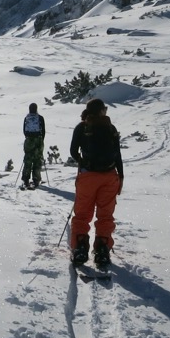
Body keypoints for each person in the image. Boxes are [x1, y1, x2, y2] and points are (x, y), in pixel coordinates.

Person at [68, 98, 124, 268]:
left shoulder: (82, 127)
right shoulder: (110, 128)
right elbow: (118, 155)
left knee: (83, 213)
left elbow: (72, 150)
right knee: (105, 214)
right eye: (104, 109)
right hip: (109, 176)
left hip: (88, 177)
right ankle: (102, 249)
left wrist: (83, 162)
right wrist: (120, 176)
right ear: (100, 111)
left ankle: (80, 248)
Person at [21, 102, 46, 189]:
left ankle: (26, 179)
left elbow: (24, 130)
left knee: (28, 159)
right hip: (38, 140)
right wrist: (41, 140)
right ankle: (36, 179)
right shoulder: (40, 118)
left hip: (28, 140)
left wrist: (28, 138)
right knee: (37, 160)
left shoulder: (26, 118)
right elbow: (43, 130)